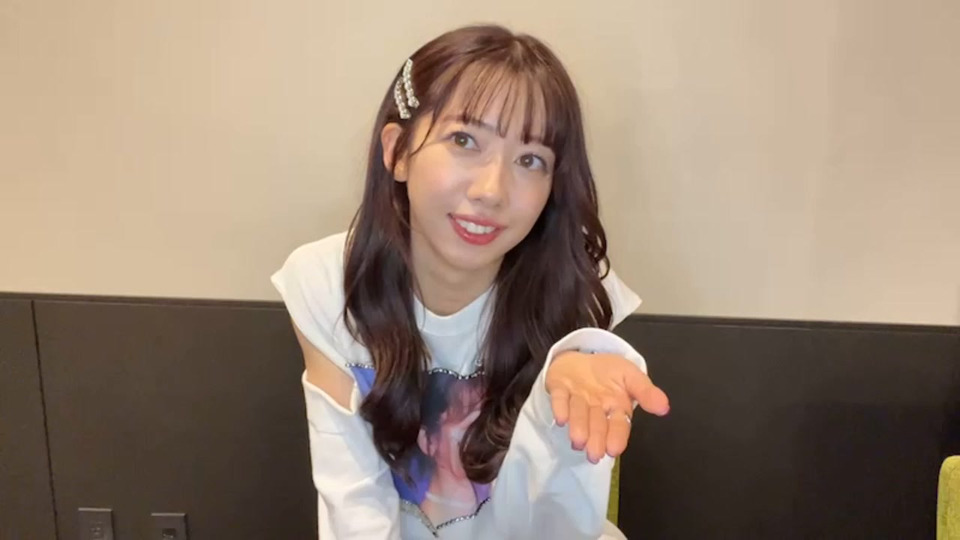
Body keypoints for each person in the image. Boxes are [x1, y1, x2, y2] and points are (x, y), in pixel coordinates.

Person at [271, 24, 670, 540]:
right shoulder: (327, 285)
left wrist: (554, 415)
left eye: (530, 160)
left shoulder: (576, 292)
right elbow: (355, 509)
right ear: (397, 151)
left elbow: (555, 528)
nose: (491, 191)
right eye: (464, 140)